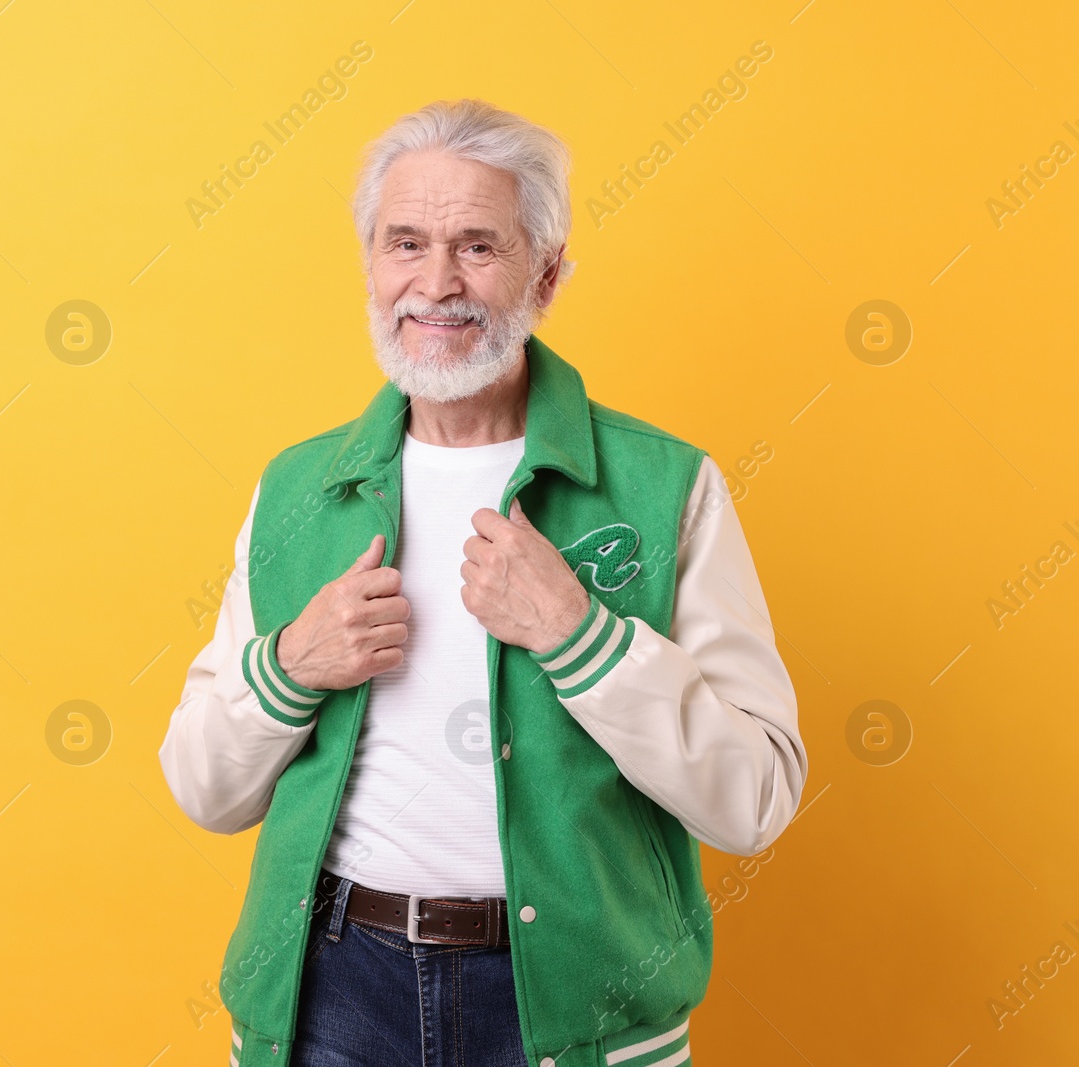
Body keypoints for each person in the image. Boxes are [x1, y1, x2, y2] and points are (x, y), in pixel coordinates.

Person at [158, 98, 807, 1067]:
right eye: (405, 243)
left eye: (477, 246)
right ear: (370, 265)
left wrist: (587, 640)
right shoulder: (299, 488)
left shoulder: (667, 484)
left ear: (545, 275)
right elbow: (204, 789)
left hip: (573, 1006)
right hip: (328, 994)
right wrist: (291, 665)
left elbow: (753, 798)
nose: (435, 283)